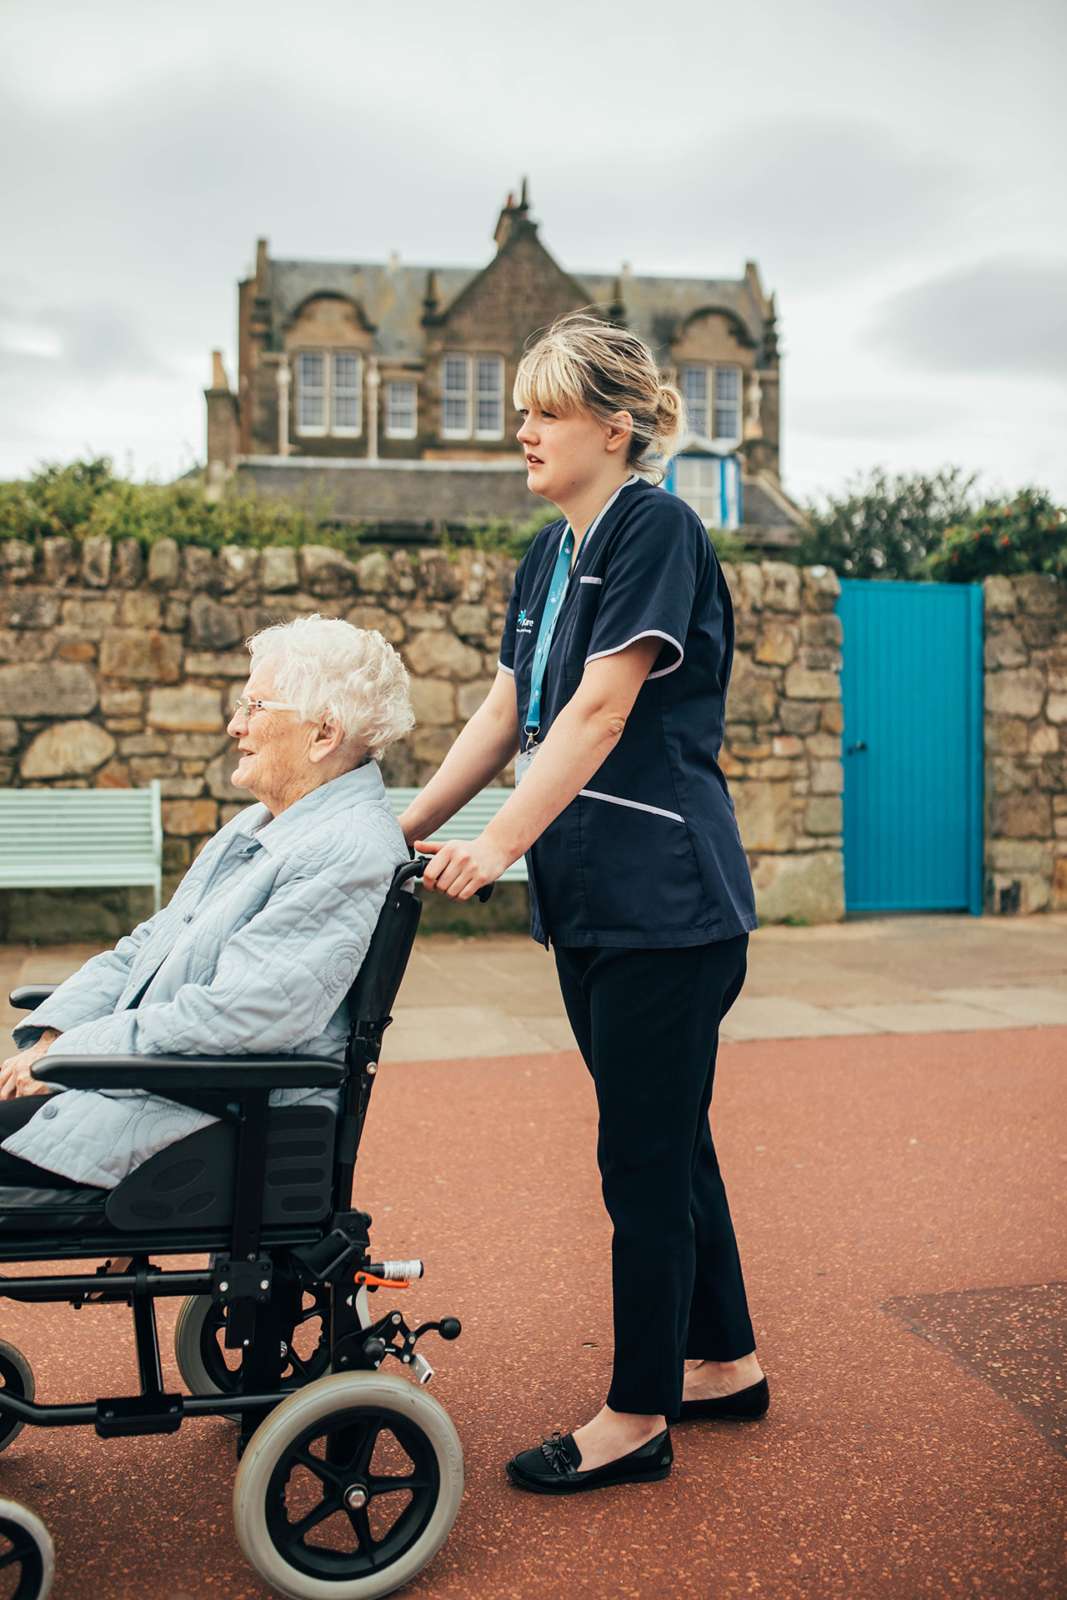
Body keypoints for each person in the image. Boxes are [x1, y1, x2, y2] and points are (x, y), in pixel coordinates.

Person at [398, 311, 767, 1495]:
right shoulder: (547, 555)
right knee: (669, 1141)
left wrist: (494, 844)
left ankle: (634, 1413)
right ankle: (724, 1361)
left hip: (667, 906)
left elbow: (601, 713)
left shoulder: (654, 527)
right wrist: (397, 825)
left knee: (639, 1161)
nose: (521, 430)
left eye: (543, 411)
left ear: (615, 427)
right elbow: (508, 709)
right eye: (520, 409)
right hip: (596, 907)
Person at [0, 615, 412, 1193]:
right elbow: (145, 947)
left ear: (323, 733)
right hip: (139, 1089)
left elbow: (243, 1016)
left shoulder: (345, 849)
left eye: (256, 707)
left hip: (198, 1117)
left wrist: (76, 1052)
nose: (234, 725)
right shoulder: (262, 822)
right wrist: (55, 1036)